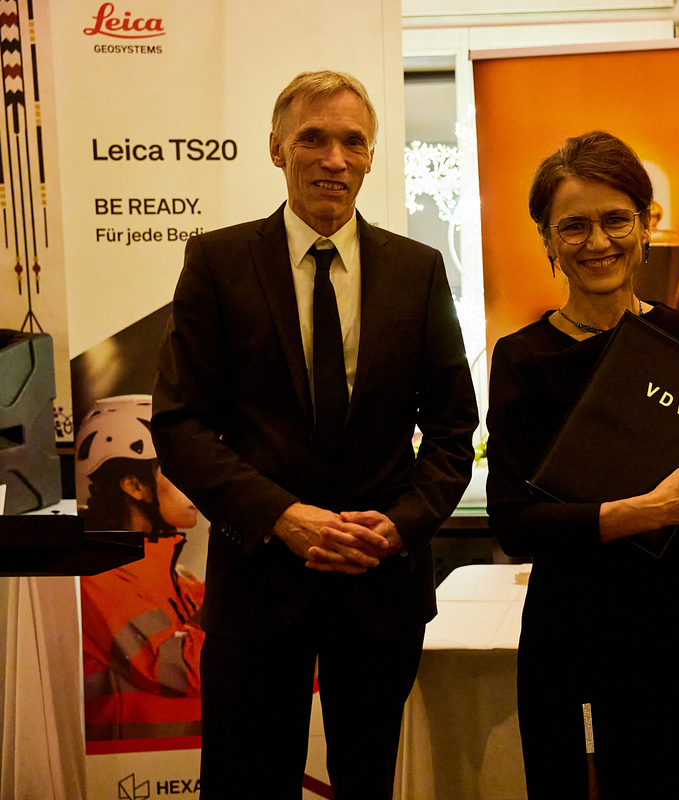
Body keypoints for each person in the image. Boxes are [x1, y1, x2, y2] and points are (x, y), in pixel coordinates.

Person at [152, 71, 478, 798]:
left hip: (380, 584)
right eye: (313, 139)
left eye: (352, 142)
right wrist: (282, 516)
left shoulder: (418, 270)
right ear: (277, 149)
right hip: (258, 581)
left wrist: (400, 525)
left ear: (370, 157)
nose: (335, 158)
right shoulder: (217, 263)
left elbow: (454, 426)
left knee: (370, 784)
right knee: (245, 785)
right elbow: (179, 423)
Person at [487, 130, 679, 800]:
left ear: (645, 225)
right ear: (547, 239)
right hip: (578, 634)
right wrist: (647, 512)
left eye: (615, 220)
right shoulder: (523, 359)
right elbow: (514, 522)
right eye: (573, 226)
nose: (597, 242)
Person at [77, 394, 205, 742]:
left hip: (178, 760)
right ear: (134, 486)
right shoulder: (98, 577)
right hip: (132, 767)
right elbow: (185, 667)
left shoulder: (173, 574)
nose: (200, 482)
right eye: (181, 470)